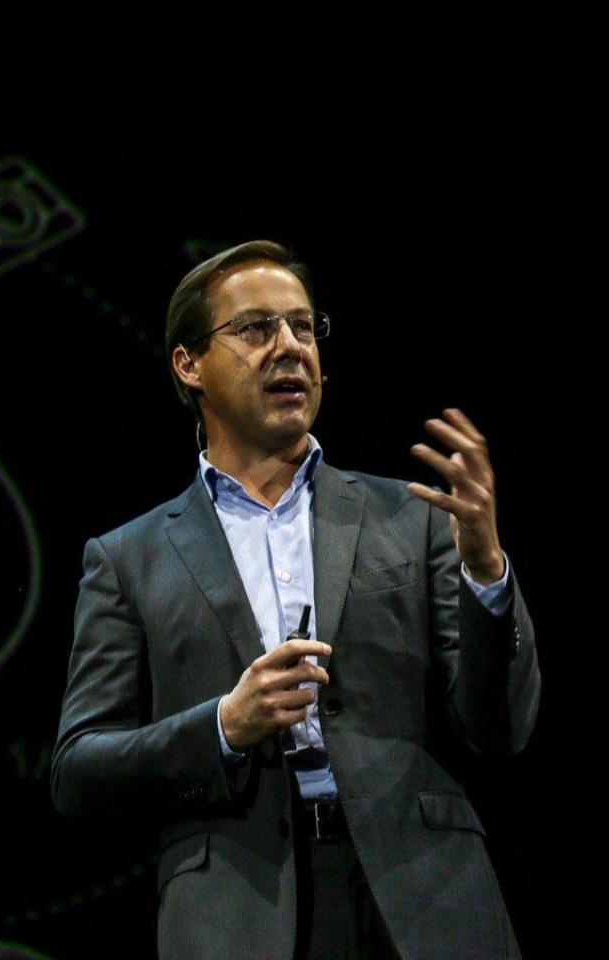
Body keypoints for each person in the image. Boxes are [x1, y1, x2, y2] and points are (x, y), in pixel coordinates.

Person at [49, 240, 541, 959]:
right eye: (255, 328)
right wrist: (224, 725)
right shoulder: (127, 559)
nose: (290, 347)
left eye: (304, 326)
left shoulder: (413, 517)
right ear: (189, 364)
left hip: (425, 900)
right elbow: (79, 774)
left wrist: (487, 573)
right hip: (240, 915)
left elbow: (500, 729)